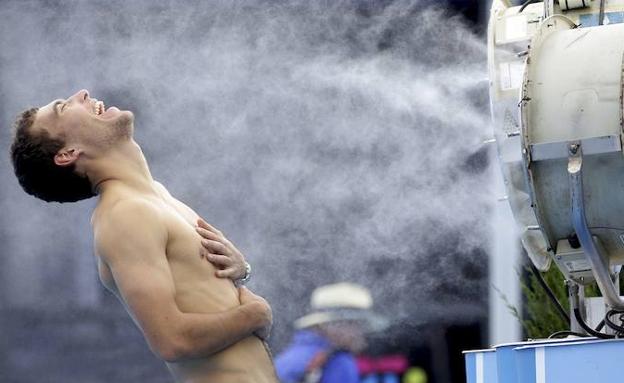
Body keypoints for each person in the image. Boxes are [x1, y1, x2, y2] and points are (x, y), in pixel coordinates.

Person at [9, 89, 277, 383]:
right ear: (67, 154)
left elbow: (201, 294)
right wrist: (256, 314)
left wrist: (242, 270)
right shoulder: (124, 214)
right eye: (62, 108)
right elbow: (173, 340)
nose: (81, 93)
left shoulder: (155, 196)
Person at [275, 282, 387, 383]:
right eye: (355, 324)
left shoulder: (284, 358)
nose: (360, 333)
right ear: (331, 325)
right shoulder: (339, 362)